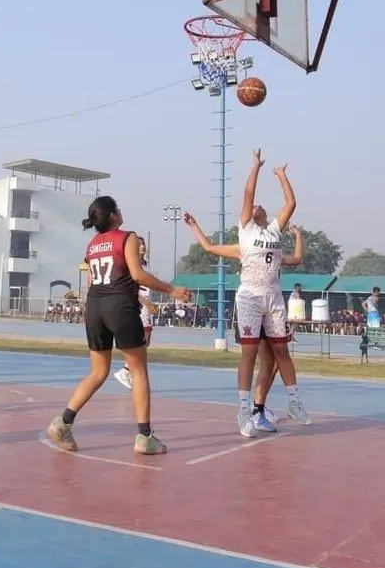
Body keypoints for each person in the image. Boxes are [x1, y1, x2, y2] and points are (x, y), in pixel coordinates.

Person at [45, 196, 190, 455]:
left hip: (95, 306)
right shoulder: (127, 237)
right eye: (118, 209)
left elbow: (94, 281)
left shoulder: (92, 246)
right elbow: (137, 275)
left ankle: (63, 422)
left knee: (98, 373)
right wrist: (172, 289)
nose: (121, 212)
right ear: (113, 215)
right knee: (139, 372)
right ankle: (144, 437)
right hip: (119, 305)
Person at [186, 150, 308, 437]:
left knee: (280, 353)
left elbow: (291, 203)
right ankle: (245, 411)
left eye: (260, 207)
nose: (256, 207)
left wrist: (281, 176)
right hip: (251, 296)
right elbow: (248, 192)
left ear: (265, 215)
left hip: (273, 297)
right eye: (253, 207)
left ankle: (291, 402)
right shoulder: (245, 232)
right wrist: (256, 166)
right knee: (251, 355)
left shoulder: (275, 234)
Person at [112, 236, 158, 391]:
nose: (142, 246)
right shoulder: (132, 265)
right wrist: (146, 303)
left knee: (146, 341)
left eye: (143, 244)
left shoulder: (145, 264)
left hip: (146, 305)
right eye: (139, 244)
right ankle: (127, 370)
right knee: (142, 340)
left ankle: (128, 370)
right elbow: (130, 288)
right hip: (138, 305)